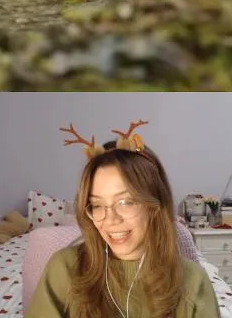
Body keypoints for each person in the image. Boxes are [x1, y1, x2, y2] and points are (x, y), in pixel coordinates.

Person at [28, 123, 220, 318]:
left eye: (125, 202)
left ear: (154, 205)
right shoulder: (64, 269)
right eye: (97, 205)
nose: (110, 220)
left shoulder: (193, 281)